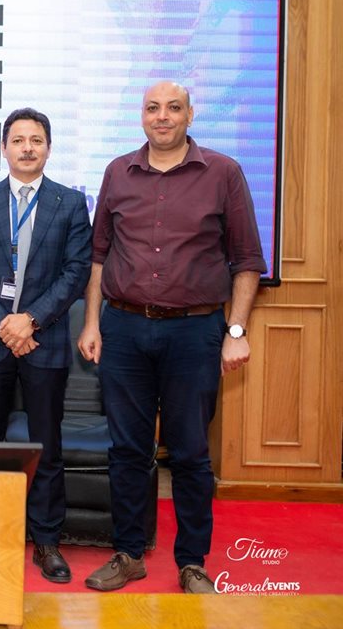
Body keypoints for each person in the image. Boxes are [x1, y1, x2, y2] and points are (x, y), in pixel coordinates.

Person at [77, 81, 266, 594]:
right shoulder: (118, 172)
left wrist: (236, 331)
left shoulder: (224, 172)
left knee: (189, 453)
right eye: (153, 108)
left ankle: (192, 562)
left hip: (194, 331)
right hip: (123, 328)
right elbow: (99, 256)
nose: (162, 117)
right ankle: (128, 553)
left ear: (190, 115)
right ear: (142, 116)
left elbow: (247, 260)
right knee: (127, 450)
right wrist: (91, 322)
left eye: (173, 108)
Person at [0, 107, 91, 584]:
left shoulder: (70, 203)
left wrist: (29, 321)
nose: (27, 148)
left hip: (44, 340)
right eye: (18, 140)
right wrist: (4, 324)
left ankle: (47, 540)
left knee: (45, 446)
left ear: (48, 148)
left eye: (36, 140)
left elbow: (76, 271)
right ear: (4, 148)